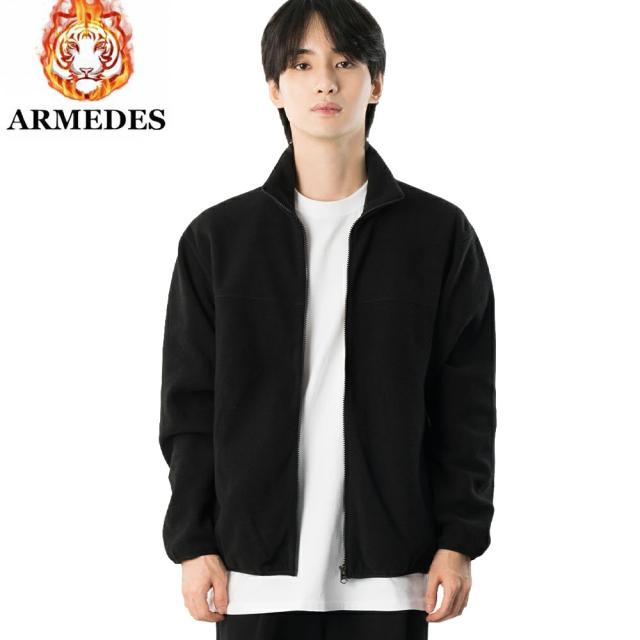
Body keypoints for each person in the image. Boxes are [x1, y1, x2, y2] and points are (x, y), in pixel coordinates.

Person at [158, 1, 497, 638]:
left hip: (393, 575)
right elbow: (190, 408)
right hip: (252, 576)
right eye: (302, 64)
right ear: (274, 88)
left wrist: (459, 538)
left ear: (377, 82)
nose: (325, 83)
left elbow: (466, 405)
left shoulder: (438, 235)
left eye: (345, 63)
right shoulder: (218, 240)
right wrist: (193, 541)